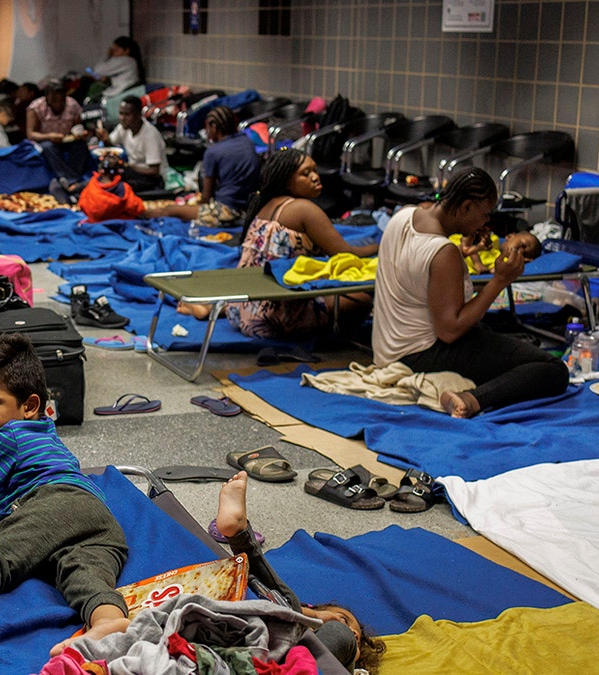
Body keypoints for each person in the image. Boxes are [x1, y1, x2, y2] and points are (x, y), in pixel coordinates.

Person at [0, 333, 131, 658]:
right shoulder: (43, 430)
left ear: (29, 405)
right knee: (83, 572)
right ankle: (107, 620)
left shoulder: (12, 435)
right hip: (97, 517)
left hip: (52, 503)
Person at [372, 167, 568, 418]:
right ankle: (472, 399)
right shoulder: (443, 253)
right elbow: (450, 330)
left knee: (502, 346)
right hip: (421, 355)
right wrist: (500, 280)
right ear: (464, 207)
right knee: (552, 369)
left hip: (386, 350)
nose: (486, 222)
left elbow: (425, 286)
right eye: (484, 214)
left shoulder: (405, 214)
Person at [182, 148, 379, 335]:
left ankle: (211, 307)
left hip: (241, 310)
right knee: (362, 299)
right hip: (276, 320)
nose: (315, 177)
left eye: (315, 170)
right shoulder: (303, 209)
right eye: (305, 173)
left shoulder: (265, 205)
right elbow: (345, 255)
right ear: (286, 181)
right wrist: (382, 245)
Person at [212, 471, 387, 674]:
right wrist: (315, 616)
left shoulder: (347, 663)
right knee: (278, 604)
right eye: (343, 618)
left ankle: (239, 535)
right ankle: (238, 532)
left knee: (328, 630)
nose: (354, 632)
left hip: (306, 665)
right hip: (266, 653)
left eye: (356, 636)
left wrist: (335, 629)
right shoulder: (297, 625)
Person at [26, 80, 90, 195]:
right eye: (54, 101)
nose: (58, 104)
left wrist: (79, 133)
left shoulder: (72, 105)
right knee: (48, 147)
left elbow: (78, 125)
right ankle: (72, 180)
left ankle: (72, 179)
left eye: (61, 101)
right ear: (46, 97)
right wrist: (49, 136)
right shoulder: (36, 108)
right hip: (46, 139)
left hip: (67, 139)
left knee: (80, 145)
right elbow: (30, 134)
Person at [198, 105, 260, 223]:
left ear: (214, 127)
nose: (206, 132)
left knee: (171, 210)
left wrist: (197, 205)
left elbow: (206, 196)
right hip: (248, 208)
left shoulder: (212, 152)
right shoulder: (247, 143)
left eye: (207, 128)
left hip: (227, 209)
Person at [95, 96, 167, 193]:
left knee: (118, 186)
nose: (122, 118)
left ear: (138, 115)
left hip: (152, 180)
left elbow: (154, 171)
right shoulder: (123, 127)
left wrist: (127, 165)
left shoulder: (150, 135)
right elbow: (111, 143)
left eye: (127, 114)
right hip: (133, 172)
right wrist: (104, 138)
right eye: (121, 114)